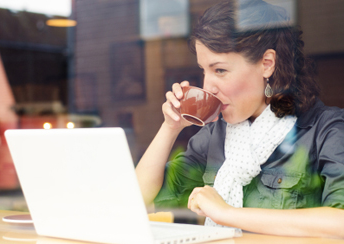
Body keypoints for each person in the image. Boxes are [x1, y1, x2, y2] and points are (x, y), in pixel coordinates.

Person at [135, 0, 344, 239]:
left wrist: (227, 213)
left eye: (220, 70)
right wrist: (170, 127)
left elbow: (340, 223)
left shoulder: (325, 130)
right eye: (204, 71)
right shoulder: (215, 135)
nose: (207, 87)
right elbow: (138, 200)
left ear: (267, 64)